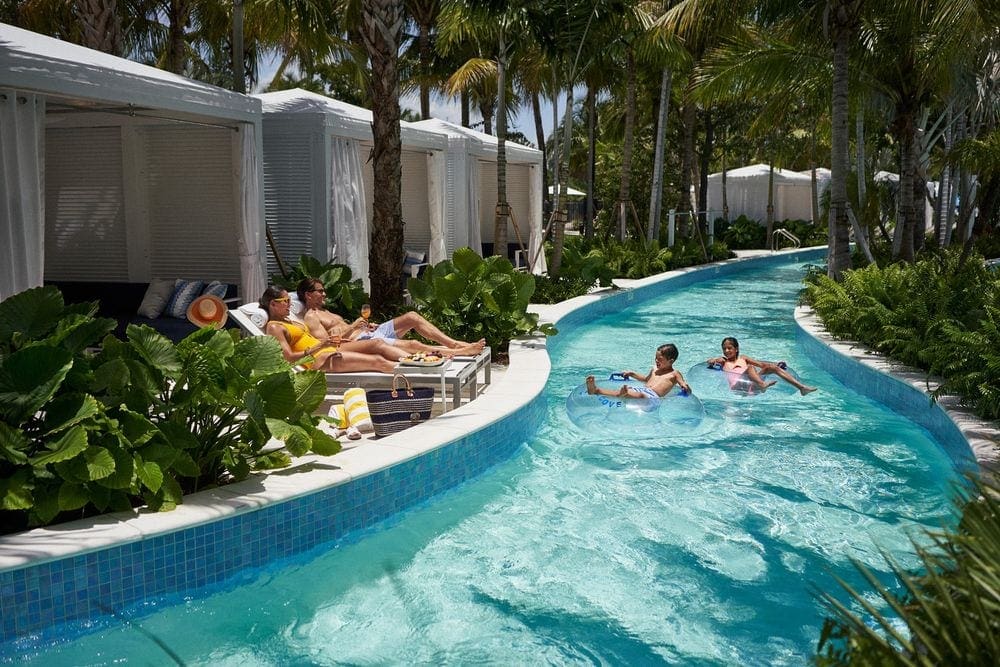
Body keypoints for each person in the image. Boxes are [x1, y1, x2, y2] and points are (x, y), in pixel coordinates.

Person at [296, 278, 486, 357]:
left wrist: (364, 326)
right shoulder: (312, 317)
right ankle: (459, 352)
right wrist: (355, 326)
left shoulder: (327, 311)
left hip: (367, 333)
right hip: (362, 341)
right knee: (414, 345)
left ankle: (452, 343)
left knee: (412, 316)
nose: (324, 294)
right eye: (320, 291)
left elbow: (346, 328)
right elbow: (326, 343)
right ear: (308, 294)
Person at [261, 286, 396, 373]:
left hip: (328, 350)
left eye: (290, 300)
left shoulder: (287, 321)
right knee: (378, 361)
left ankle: (412, 363)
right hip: (320, 360)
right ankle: (413, 381)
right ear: (273, 304)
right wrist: (321, 345)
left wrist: (328, 342)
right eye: (286, 301)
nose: (290, 305)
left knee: (377, 346)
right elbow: (289, 358)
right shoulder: (274, 327)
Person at [706, 336, 817, 395]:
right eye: (724, 349)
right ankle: (762, 384)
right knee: (750, 368)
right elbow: (712, 361)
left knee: (771, 368)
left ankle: (802, 388)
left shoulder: (743, 358)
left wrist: (776, 365)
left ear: (736, 349)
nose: (726, 351)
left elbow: (762, 364)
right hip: (737, 387)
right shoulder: (724, 361)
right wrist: (712, 361)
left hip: (751, 385)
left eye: (729, 348)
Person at [586, 343, 691, 399]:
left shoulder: (674, 374)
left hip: (653, 397)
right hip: (642, 390)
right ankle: (595, 390)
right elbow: (646, 380)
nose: (656, 361)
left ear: (671, 361)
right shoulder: (654, 369)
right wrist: (632, 374)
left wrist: (685, 387)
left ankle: (625, 394)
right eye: (655, 358)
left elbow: (683, 384)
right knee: (629, 391)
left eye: (660, 359)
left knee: (640, 396)